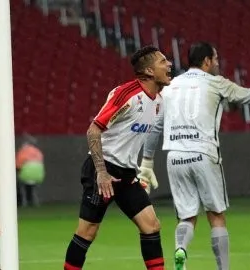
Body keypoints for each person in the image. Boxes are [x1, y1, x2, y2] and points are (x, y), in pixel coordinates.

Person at [137, 42, 250, 270]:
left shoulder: (171, 85)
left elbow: (156, 126)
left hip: (175, 156)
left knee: (186, 216)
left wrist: (147, 162)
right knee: (216, 215)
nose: (217, 63)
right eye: (215, 59)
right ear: (206, 61)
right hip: (204, 153)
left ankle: (180, 251)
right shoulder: (216, 83)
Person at [63, 45, 172, 270]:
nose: (169, 64)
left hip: (126, 175)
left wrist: (140, 167)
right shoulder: (127, 95)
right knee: (88, 232)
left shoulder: (159, 101)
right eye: (163, 62)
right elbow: (93, 130)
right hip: (103, 170)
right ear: (150, 71)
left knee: (151, 226)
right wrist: (101, 173)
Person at [16, 134, 45, 207]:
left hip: (26, 175)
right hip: (39, 176)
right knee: (33, 188)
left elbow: (18, 165)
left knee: (19, 184)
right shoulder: (38, 152)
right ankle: (35, 201)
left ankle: (23, 202)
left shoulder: (22, 152)